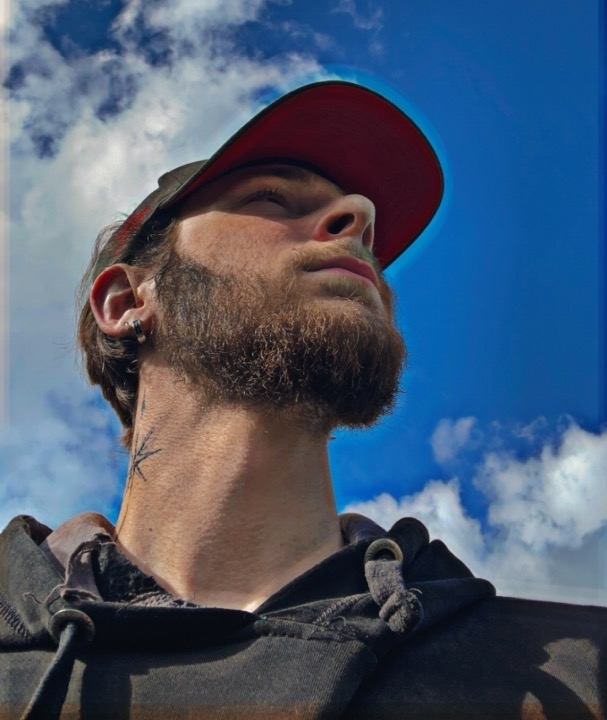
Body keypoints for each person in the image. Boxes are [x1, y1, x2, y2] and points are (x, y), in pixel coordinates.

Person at [0, 80, 604, 719]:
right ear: (126, 302)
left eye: (366, 234)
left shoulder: (576, 674)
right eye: (270, 197)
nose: (358, 219)